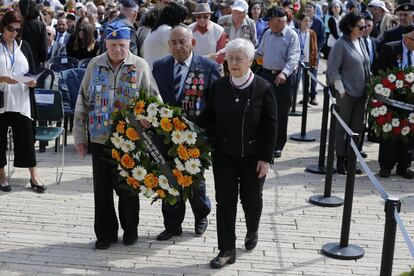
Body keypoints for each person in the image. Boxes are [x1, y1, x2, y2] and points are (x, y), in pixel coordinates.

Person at [73, 20, 161, 250]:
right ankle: (105, 234)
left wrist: (148, 119)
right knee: (101, 191)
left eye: (123, 45)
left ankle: (130, 231)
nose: (118, 50)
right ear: (106, 44)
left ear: (129, 43)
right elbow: (82, 100)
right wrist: (80, 138)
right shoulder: (95, 65)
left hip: (129, 139)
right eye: (113, 46)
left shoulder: (139, 65)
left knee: (128, 188)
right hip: (100, 138)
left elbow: (154, 100)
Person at [204, 38, 277, 268]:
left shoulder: (263, 88)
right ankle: (226, 249)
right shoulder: (218, 86)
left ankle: (252, 228)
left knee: (251, 199)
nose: (233, 63)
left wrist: (266, 158)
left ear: (251, 61)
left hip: (253, 155)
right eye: (230, 59)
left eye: (239, 59)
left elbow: (271, 126)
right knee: (225, 201)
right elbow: (207, 118)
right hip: (224, 153)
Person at [152, 25, 220, 241]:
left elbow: (216, 104)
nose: (177, 46)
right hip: (166, 136)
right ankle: (172, 224)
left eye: (182, 41)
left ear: (193, 43)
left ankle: (201, 215)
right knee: (168, 181)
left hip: (195, 138)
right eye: (173, 42)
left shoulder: (208, 67)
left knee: (194, 182)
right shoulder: (159, 66)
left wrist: (209, 136)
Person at [0, 10, 46, 193]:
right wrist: (3, 79)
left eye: (17, 30)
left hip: (21, 99)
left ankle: (34, 176)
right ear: (3, 27)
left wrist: (33, 81)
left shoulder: (23, 45)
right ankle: (2, 176)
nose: (14, 33)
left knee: (27, 138)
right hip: (2, 99)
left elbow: (32, 70)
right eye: (11, 29)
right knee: (0, 139)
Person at [326, 12, 370, 175]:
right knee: (342, 128)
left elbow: (365, 65)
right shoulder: (340, 44)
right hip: (346, 94)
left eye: (365, 26)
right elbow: (333, 69)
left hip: (362, 94)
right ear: (350, 27)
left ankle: (352, 160)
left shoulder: (361, 42)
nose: (364, 29)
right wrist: (340, 88)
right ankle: (340, 160)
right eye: (360, 27)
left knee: (358, 128)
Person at [257, 6, 300, 158]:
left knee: (280, 112)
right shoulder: (267, 33)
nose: (269, 24)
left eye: (271, 22)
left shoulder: (292, 35)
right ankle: (263, 139)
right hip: (266, 74)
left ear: (281, 21)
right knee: (262, 108)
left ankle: (278, 145)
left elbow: (294, 58)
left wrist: (284, 73)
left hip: (283, 78)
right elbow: (259, 52)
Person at [374, 25, 414, 179]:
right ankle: (386, 166)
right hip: (390, 98)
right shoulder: (390, 49)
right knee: (389, 131)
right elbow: (376, 70)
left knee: (408, 132)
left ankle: (404, 166)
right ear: (406, 38)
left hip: (410, 101)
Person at [142, 2, 188, 69]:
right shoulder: (167, 31)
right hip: (159, 74)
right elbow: (182, 53)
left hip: (151, 72)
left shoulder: (156, 30)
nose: (181, 23)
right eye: (181, 20)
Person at [305, 1, 325, 105]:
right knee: (304, 75)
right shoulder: (303, 20)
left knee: (313, 74)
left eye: (310, 7)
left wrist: (318, 50)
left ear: (314, 9)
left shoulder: (319, 22)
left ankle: (313, 96)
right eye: (307, 7)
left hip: (314, 53)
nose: (308, 9)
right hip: (303, 53)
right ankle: (305, 96)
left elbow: (322, 38)